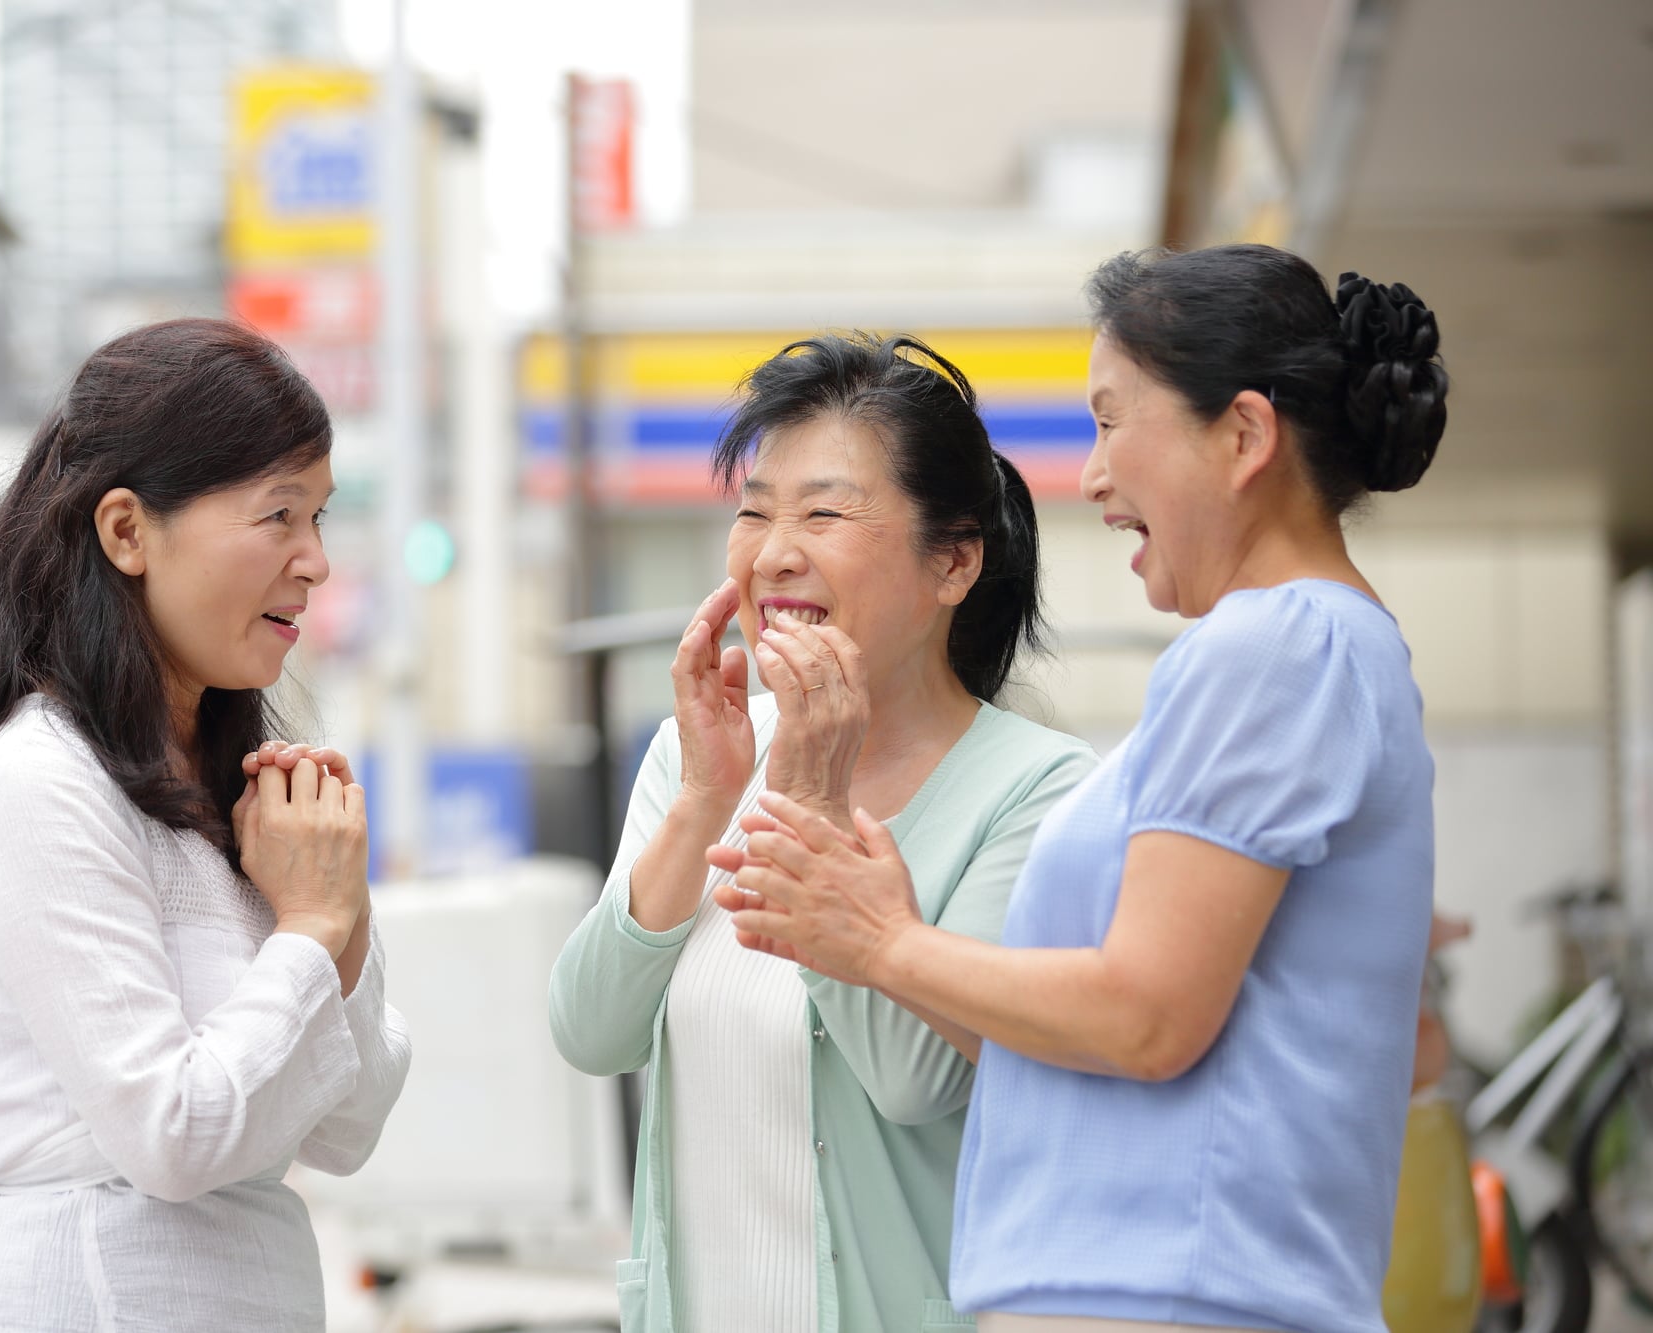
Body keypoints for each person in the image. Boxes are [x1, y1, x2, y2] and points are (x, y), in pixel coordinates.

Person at [715, 246, 1449, 1333]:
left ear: (1242, 436)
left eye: (1111, 422)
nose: (1091, 474)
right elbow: (1110, 1025)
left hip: (1174, 1295)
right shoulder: (1299, 646)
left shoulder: (1274, 644)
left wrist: (880, 944)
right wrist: (885, 939)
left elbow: (1149, 1016)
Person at [0, 319, 410, 1332]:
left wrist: (339, 917)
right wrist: (310, 930)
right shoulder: (34, 779)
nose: (315, 562)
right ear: (125, 531)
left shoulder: (232, 798)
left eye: (320, 517)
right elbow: (173, 1136)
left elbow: (349, 1126)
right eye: (278, 515)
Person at [550, 333, 1096, 1332]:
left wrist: (806, 797)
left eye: (824, 512)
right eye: (754, 511)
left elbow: (909, 1079)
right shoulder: (696, 758)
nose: (773, 550)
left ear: (953, 562)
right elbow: (590, 1032)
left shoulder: (1037, 791)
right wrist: (707, 800)